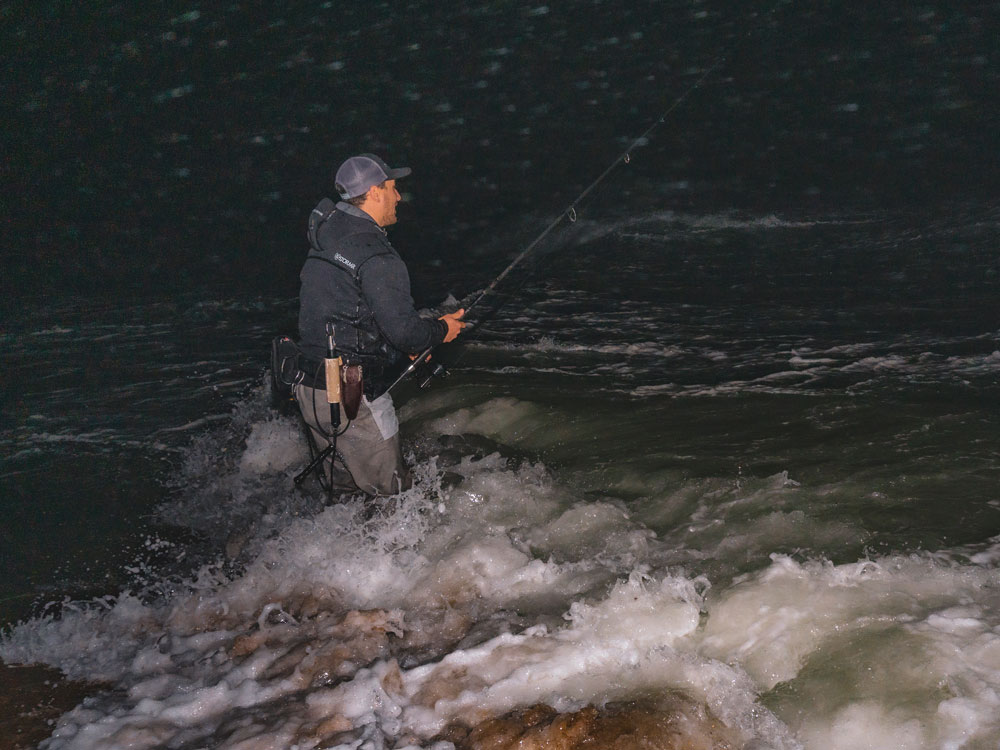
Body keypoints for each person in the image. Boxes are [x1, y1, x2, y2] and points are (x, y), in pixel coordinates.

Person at [295, 153, 465, 496]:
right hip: (351, 397)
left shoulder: (327, 235)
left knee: (344, 492)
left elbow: (345, 311)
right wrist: (442, 330)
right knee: (393, 495)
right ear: (374, 192)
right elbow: (406, 333)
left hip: (309, 388)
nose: (398, 196)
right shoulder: (377, 255)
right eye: (392, 187)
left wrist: (398, 348)